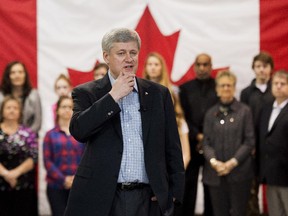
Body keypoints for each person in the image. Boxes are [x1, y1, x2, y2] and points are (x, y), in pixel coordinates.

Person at [64, 28, 185, 216]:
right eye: (121, 53)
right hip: (103, 198)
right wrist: (113, 96)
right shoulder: (87, 92)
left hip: (148, 198)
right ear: (106, 56)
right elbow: (79, 130)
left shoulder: (158, 94)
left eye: (133, 53)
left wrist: (175, 191)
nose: (129, 58)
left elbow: (172, 146)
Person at [202, 70, 255, 216]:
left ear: (234, 88)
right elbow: (206, 143)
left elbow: (249, 141)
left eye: (229, 85)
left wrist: (231, 163)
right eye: (222, 85)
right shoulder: (210, 113)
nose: (226, 88)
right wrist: (215, 162)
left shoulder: (245, 111)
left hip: (239, 174)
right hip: (215, 174)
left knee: (239, 212)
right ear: (217, 89)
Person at [179, 53, 217, 215]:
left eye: (205, 65)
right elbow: (183, 116)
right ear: (194, 66)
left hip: (213, 144)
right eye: (199, 65)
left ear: (211, 66)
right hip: (191, 144)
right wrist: (197, 135)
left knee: (211, 185)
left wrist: (206, 137)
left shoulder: (218, 86)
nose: (202, 68)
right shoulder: (185, 88)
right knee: (188, 184)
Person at [240, 51, 274, 215]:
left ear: (271, 69)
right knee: (251, 188)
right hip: (252, 147)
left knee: (274, 188)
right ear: (253, 69)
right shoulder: (246, 93)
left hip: (272, 147)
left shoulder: (277, 90)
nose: (262, 70)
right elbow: (244, 120)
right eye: (258, 66)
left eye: (265, 66)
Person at [143, 52, 191, 169]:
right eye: (150, 64)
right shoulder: (137, 91)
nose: (153, 67)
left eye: (156, 64)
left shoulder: (172, 90)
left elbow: (186, 154)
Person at [43, 96, 84, 216]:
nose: (67, 110)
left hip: (78, 185)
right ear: (57, 110)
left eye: (70, 107)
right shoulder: (50, 135)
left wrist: (75, 178)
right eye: (64, 106)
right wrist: (63, 179)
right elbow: (47, 161)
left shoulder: (81, 133)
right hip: (56, 186)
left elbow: (86, 158)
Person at [0, 96, 38, 216]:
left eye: (15, 108)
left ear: (20, 112)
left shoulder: (28, 133)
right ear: (2, 111)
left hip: (24, 186)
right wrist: (6, 174)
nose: (12, 110)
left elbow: (33, 158)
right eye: (8, 107)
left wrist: (15, 173)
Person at [258, 70, 288, 216]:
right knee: (275, 212)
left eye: (283, 84)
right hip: (270, 173)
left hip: (286, 175)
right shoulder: (266, 108)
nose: (278, 86)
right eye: (275, 83)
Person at [0, 61, 42, 133]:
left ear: (25, 75)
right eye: (13, 73)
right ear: (8, 76)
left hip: (28, 138)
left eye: (20, 72)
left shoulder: (34, 95)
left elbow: (37, 123)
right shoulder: (1, 95)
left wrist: (25, 136)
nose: (17, 76)